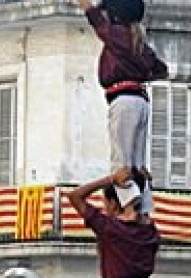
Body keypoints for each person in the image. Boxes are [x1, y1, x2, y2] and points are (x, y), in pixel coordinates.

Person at [73, 0, 169, 215]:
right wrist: (140, 72)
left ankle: (128, 209)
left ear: (115, 15)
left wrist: (85, 4)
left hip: (123, 99)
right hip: (141, 100)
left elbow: (94, 18)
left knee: (120, 163)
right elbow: (162, 70)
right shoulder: (140, 43)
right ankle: (143, 209)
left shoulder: (117, 34)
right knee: (137, 164)